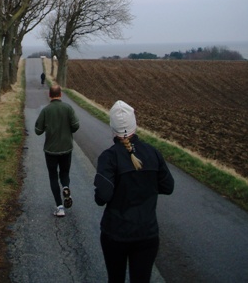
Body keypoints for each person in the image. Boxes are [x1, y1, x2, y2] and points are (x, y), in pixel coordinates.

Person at [94, 100, 174, 283]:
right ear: (134, 125)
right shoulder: (153, 153)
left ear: (112, 128)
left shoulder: (109, 157)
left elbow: (102, 197)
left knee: (115, 279)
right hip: (147, 233)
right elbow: (168, 187)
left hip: (116, 233)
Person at [35, 84, 80, 217]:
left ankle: (60, 207)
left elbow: (38, 131)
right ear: (60, 94)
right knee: (64, 173)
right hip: (66, 148)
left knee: (53, 176)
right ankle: (65, 187)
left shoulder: (46, 111)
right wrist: (68, 131)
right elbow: (76, 125)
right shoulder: (68, 108)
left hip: (50, 150)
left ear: (50, 95)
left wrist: (46, 128)